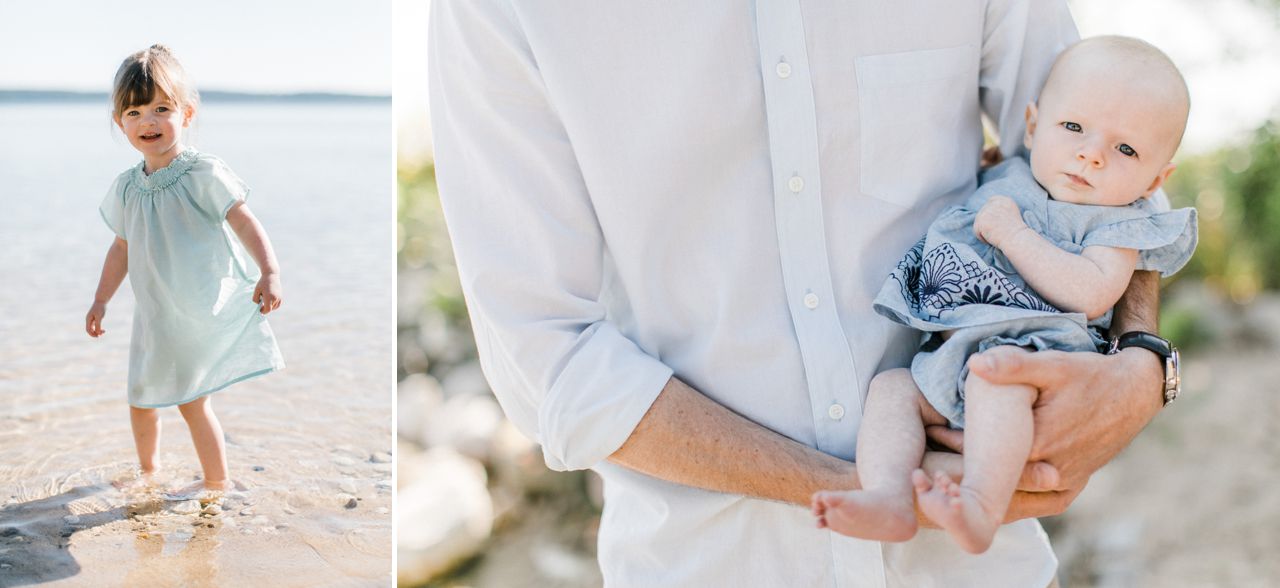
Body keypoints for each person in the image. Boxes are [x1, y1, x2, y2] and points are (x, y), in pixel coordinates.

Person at [429, 2, 1172, 585]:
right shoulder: (500, 9)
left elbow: (1111, 162)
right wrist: (857, 489)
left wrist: (1141, 363)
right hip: (708, 569)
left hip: (981, 572)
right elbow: (547, 354)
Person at [810, 36, 1197, 555]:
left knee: (999, 385)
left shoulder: (1117, 225)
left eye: (1125, 149)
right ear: (1034, 126)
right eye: (1074, 128)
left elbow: (1095, 293)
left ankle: (979, 508)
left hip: (1030, 363)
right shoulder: (1008, 173)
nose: (1092, 154)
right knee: (892, 389)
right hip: (948, 358)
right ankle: (888, 498)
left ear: (1156, 179)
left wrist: (1015, 236)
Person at [86, 45, 285, 498]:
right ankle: (149, 473)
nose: (148, 122)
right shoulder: (127, 187)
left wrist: (269, 270)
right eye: (134, 112)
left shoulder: (202, 174)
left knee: (192, 402)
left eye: (161, 108)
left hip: (194, 310)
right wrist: (100, 299)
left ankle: (216, 482)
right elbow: (122, 247)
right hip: (153, 316)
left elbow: (243, 220)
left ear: (187, 113)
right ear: (120, 122)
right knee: (141, 398)